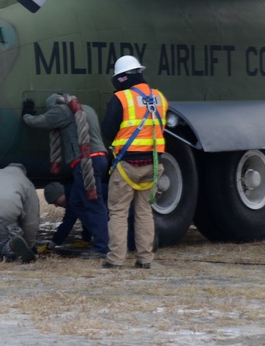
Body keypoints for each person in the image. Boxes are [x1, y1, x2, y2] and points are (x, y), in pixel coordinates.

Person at [102, 55, 168, 269]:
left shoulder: (122, 99)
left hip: (126, 165)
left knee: (119, 212)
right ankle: (145, 259)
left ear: (121, 78)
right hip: (153, 164)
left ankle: (115, 259)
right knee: (144, 211)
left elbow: (108, 131)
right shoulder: (159, 97)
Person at [23, 93, 109, 258]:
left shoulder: (61, 111)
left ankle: (102, 247)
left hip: (85, 163)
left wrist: (26, 114)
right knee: (76, 203)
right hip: (99, 159)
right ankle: (101, 237)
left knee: (93, 205)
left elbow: (39, 122)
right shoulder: (87, 109)